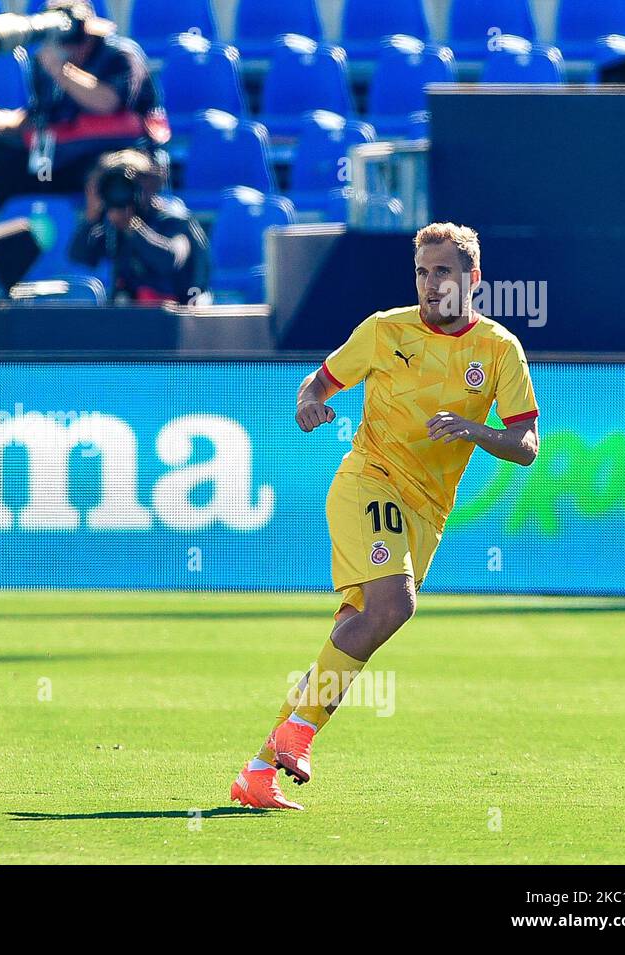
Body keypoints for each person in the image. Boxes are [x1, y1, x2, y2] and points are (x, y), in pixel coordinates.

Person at [230, 223, 540, 811]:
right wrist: (311, 404)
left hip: (427, 511)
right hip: (369, 481)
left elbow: (526, 445)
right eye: (422, 272)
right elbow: (318, 384)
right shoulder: (383, 330)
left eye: (442, 271)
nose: (430, 283)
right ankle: (297, 737)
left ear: (472, 278)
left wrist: (476, 430)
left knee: (353, 634)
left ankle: (258, 771)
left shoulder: (499, 349)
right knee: (394, 606)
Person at [0, 0, 167, 203]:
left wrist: (63, 71)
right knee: (0, 164)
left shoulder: (120, 56)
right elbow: (44, 117)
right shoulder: (45, 61)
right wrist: (0, 121)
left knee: (105, 175)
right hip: (56, 154)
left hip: (115, 155)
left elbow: (109, 103)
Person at [68, 149, 210, 305]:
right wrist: (91, 218)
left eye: (127, 183)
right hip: (132, 316)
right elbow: (80, 257)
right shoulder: (113, 226)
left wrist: (133, 227)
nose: (121, 190)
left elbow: (169, 259)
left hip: (178, 314)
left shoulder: (173, 219)